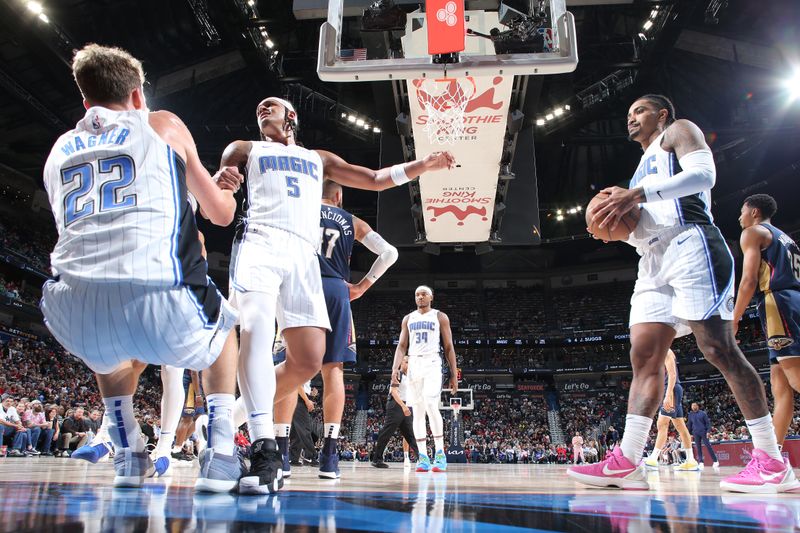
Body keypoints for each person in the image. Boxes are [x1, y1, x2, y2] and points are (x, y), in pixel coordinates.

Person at [219, 95, 454, 494]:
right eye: (258, 105)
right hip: (259, 240)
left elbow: (376, 178)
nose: (262, 107)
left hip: (303, 256)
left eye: (271, 104)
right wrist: (222, 183)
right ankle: (264, 448)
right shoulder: (244, 149)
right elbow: (222, 196)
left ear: (292, 116)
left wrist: (424, 166)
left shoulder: (318, 158)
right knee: (257, 331)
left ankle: (228, 417)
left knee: (309, 360)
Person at [39, 44, 241, 491]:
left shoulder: (58, 149)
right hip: (160, 300)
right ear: (136, 95)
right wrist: (225, 188)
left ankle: (128, 452)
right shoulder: (163, 124)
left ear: (85, 101)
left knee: (104, 329)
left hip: (72, 312)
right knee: (226, 328)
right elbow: (221, 214)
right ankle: (222, 450)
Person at [569, 93, 792, 493]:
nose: (632, 118)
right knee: (643, 355)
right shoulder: (640, 170)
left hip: (692, 244)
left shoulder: (678, 131)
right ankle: (628, 460)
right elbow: (646, 221)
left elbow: (704, 177)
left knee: (719, 349)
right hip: (652, 258)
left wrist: (633, 196)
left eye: (639, 110)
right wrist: (609, 228)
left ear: (662, 114)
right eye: (628, 114)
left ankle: (772, 461)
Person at [272, 179, 399, 479]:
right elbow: (390, 253)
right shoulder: (352, 221)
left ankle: (281, 452)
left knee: (290, 367)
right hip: (336, 291)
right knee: (334, 371)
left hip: (300, 288)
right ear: (339, 196)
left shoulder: (298, 210)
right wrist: (363, 286)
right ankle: (330, 455)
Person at [734, 193, 800, 457]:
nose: (739, 217)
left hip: (777, 303)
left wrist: (735, 317)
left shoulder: (753, 232)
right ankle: (771, 455)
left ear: (753, 212)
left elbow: (748, 280)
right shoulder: (786, 238)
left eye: (742, 211)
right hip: (791, 300)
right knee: (780, 386)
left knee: (795, 378)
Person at [391, 286, 459, 473]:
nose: (420, 297)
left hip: (432, 362)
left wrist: (454, 374)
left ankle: (440, 453)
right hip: (413, 364)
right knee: (418, 412)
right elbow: (402, 345)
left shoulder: (440, 316)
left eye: (423, 294)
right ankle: (423, 456)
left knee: (431, 404)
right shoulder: (408, 318)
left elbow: (448, 346)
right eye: (417, 295)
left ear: (431, 297)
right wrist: (394, 369)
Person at [644, 349, 699, 471]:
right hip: (670, 389)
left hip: (671, 389)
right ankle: (691, 460)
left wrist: (668, 395)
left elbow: (672, 374)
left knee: (662, 424)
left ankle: (653, 459)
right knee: (681, 427)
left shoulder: (666, 351)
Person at [371, 354, 420, 468]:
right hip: (396, 405)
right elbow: (394, 392)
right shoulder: (398, 374)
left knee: (411, 435)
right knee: (387, 432)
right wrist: (403, 406)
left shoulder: (411, 377)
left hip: (406, 406)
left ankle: (422, 459)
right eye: (406, 362)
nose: (407, 364)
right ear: (401, 363)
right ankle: (377, 459)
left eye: (409, 362)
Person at [687, 402, 719, 467]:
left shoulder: (703, 413)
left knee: (708, 446)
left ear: (697, 406)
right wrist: (689, 433)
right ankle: (701, 462)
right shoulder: (690, 414)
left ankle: (715, 461)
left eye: (695, 405)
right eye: (692, 405)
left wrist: (708, 431)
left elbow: (708, 423)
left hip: (703, 432)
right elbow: (689, 424)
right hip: (695, 433)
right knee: (698, 448)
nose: (693, 407)